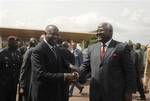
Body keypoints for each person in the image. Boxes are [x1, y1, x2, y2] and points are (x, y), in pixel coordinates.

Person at [79, 22, 136, 101]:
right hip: (96, 94)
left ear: (110, 32)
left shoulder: (121, 47)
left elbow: (130, 71)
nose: (98, 33)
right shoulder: (92, 48)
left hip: (115, 94)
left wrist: (129, 92)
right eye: (97, 31)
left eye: (101, 30)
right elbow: (85, 66)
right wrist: (77, 73)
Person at [30, 25, 78, 101]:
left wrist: (72, 67)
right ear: (45, 34)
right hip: (43, 94)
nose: (55, 37)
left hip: (55, 92)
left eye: (57, 34)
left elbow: (63, 61)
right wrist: (65, 76)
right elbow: (41, 75)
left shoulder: (55, 48)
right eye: (52, 34)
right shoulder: (38, 50)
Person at [0, 36, 22, 101]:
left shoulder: (18, 53)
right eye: (12, 41)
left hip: (14, 83)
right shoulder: (2, 53)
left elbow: (20, 67)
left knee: (13, 98)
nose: (15, 42)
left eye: (15, 41)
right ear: (9, 42)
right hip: (4, 84)